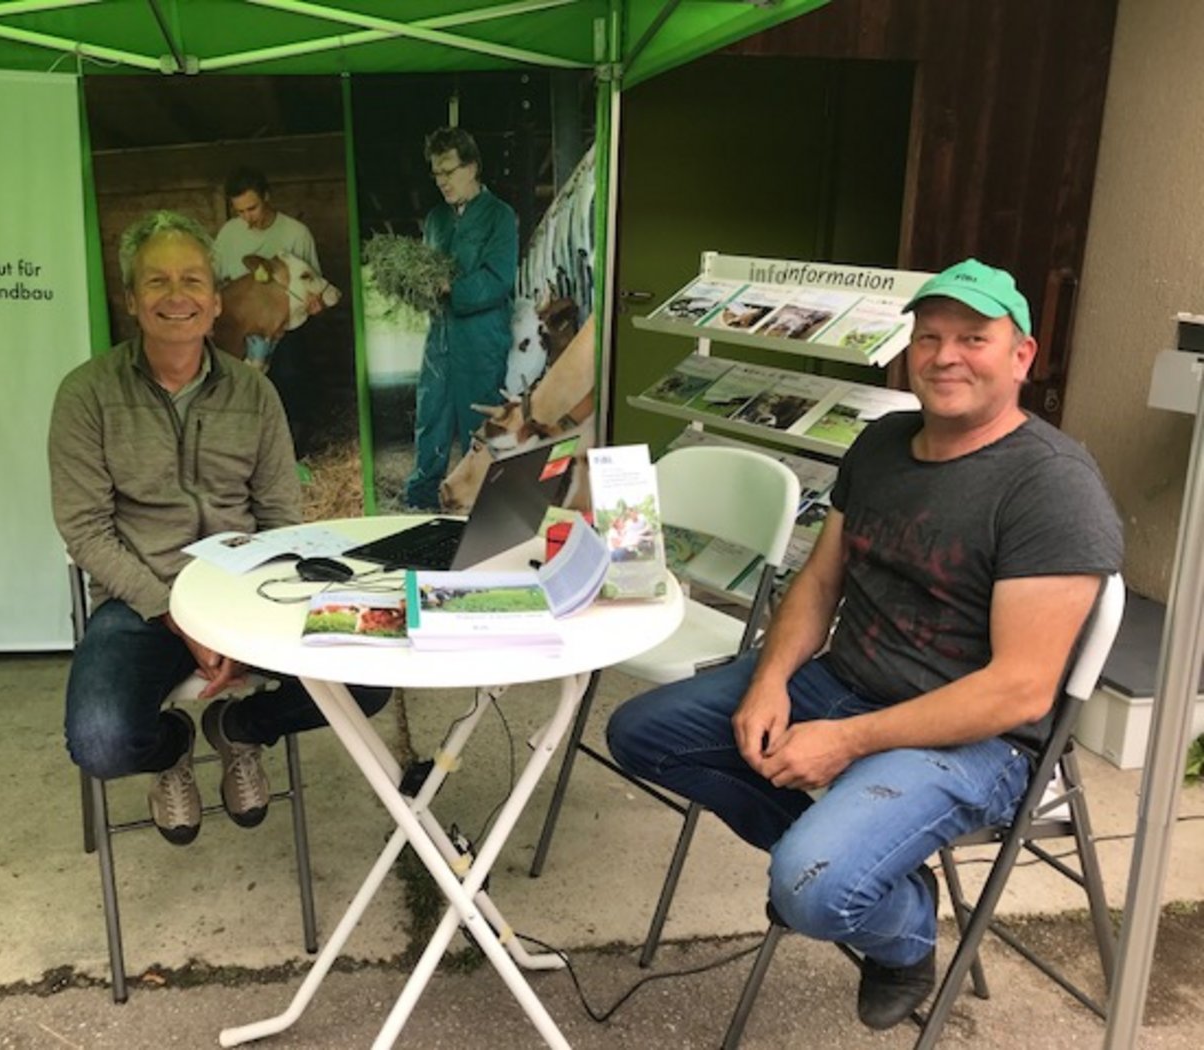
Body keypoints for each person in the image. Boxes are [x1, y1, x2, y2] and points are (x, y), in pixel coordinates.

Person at [607, 258, 1123, 1030]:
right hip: (842, 680)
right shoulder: (883, 443)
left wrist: (845, 742)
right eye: (929, 336)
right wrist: (772, 680)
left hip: (979, 740)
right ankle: (853, 869)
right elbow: (819, 584)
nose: (945, 355)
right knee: (644, 733)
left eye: (973, 338)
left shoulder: (1051, 486)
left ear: (1022, 356)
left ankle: (900, 928)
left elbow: (1019, 689)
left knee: (814, 890)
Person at [49, 210, 389, 846]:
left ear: (214, 298)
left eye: (192, 281)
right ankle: (172, 746)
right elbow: (85, 528)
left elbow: (280, 518)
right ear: (131, 299)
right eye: (156, 282)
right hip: (140, 601)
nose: (176, 296)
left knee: (371, 680)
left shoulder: (255, 394)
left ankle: (240, 731)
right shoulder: (86, 395)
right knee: (101, 742)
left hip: (246, 589)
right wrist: (178, 616)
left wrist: (245, 622)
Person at [403, 127, 519, 510]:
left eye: (449, 171)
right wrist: (415, 287)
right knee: (430, 415)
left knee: (479, 423)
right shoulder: (435, 220)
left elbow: (498, 279)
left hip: (480, 340)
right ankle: (421, 503)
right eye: (436, 174)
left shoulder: (500, 217)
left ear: (472, 167)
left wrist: (453, 289)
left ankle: (483, 505)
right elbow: (426, 272)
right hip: (440, 338)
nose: (442, 182)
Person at [212, 167, 322, 449]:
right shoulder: (228, 234)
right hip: (239, 328)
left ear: (267, 197)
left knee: (289, 375)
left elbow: (313, 286)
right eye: (240, 212)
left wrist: (313, 303)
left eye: (252, 208)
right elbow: (215, 278)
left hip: (283, 329)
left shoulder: (296, 234)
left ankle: (293, 441)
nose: (247, 218)